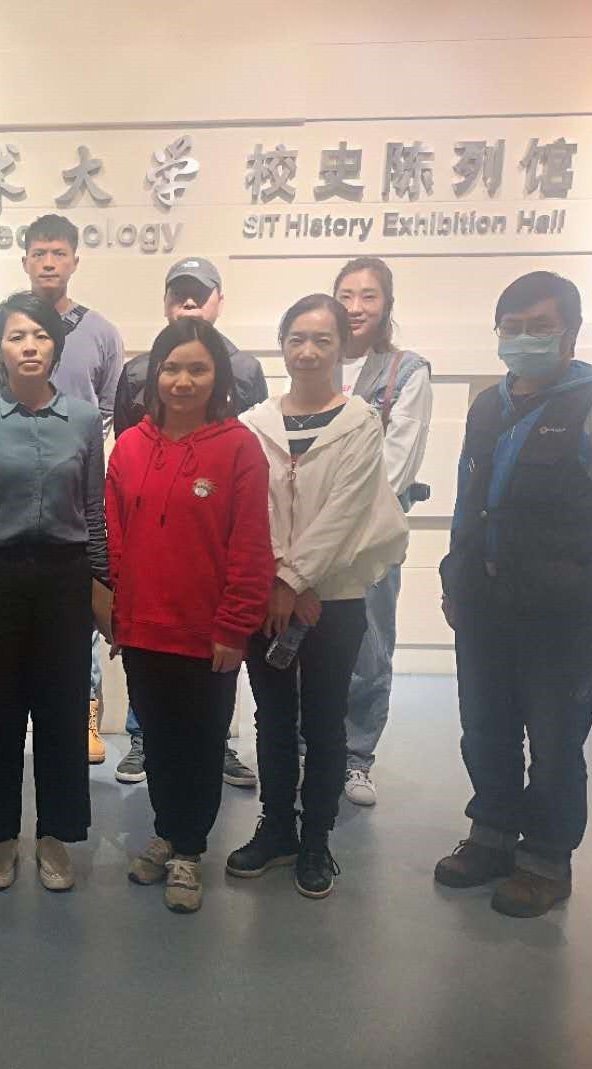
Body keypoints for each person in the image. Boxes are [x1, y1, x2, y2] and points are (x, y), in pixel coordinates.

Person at [435, 271, 592, 918]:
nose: (524, 339)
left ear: (571, 333)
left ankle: (546, 860)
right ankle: (492, 836)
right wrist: (454, 577)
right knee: (484, 729)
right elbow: (468, 500)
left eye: (540, 327)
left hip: (564, 614)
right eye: (513, 327)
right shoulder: (488, 405)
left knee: (555, 743)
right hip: (485, 606)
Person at [229, 294, 408, 900]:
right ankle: (277, 828)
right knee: (273, 718)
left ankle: (316, 841)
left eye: (322, 340)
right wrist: (277, 578)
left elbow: (346, 513)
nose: (307, 352)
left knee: (326, 720)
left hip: (335, 597)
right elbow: (251, 509)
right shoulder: (254, 424)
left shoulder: (360, 422)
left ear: (343, 348)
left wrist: (297, 581)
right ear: (282, 345)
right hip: (266, 595)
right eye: (296, 339)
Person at [109, 318, 271, 913]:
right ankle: (167, 830)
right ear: (154, 375)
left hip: (208, 635)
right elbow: (115, 538)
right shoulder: (130, 446)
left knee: (201, 743)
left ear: (218, 376)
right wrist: (119, 615)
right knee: (157, 738)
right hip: (143, 628)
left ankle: (190, 850)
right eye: (171, 368)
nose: (182, 381)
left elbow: (250, 546)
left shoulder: (239, 447)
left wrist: (234, 626)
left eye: (197, 369)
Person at [0, 292, 107, 892]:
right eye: (17, 336)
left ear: (56, 347)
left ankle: (56, 835)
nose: (30, 346)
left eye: (40, 336)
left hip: (65, 578)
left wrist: (104, 588)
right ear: (0, 349)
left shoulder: (84, 421)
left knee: (63, 711)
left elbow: (94, 510)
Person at [21, 213, 124, 765]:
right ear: (25, 261)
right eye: (39, 253)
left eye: (58, 253)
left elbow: (106, 408)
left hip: (77, 487)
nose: (48, 262)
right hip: (16, 486)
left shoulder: (101, 331)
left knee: (81, 602)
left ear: (74, 261)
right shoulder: (11, 322)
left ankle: (84, 712)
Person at [333, 257, 434, 807]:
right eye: (346, 295)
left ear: (386, 304)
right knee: (305, 643)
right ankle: (307, 747)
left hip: (371, 537)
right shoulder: (318, 360)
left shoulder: (406, 371)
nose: (355, 307)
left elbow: (398, 462)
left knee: (368, 648)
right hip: (310, 537)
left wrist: (344, 523)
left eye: (368, 296)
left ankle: (356, 757)